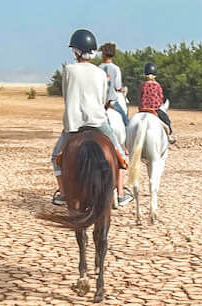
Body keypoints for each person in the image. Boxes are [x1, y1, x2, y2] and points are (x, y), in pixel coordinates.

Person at [51, 29, 131, 206]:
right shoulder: (101, 73)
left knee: (56, 157)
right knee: (120, 155)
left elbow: (66, 96)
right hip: (98, 122)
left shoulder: (68, 70)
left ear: (76, 51)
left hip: (74, 125)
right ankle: (121, 193)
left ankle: (63, 194)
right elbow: (103, 98)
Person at [138, 62, 176, 143]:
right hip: (155, 109)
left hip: (143, 109)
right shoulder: (157, 85)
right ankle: (170, 135)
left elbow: (140, 97)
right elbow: (160, 98)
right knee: (167, 120)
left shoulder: (142, 85)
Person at [99, 42, 128, 128]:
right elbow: (117, 87)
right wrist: (122, 89)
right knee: (126, 122)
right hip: (112, 101)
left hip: (100, 102)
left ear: (103, 54)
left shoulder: (98, 68)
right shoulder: (116, 69)